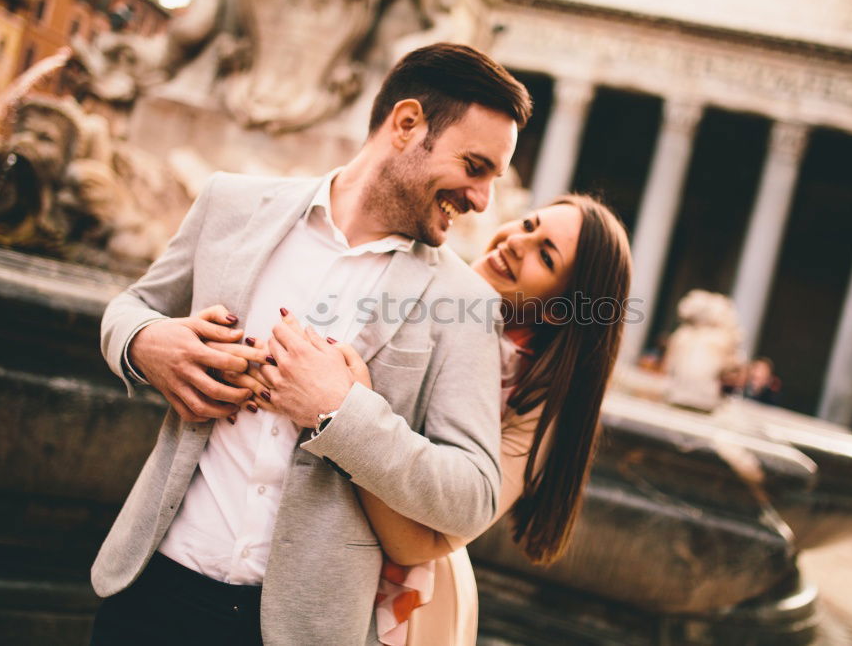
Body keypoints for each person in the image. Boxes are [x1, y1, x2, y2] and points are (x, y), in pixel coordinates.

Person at [89, 43, 532, 646]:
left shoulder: (467, 303)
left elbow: (472, 497)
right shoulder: (231, 203)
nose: (482, 200)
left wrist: (343, 414)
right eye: (475, 167)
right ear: (407, 125)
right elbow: (131, 306)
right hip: (150, 586)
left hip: (302, 629)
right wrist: (146, 344)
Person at [331, 194, 631, 644]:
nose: (517, 242)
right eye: (529, 224)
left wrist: (348, 414)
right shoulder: (420, 275)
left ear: (558, 309)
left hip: (404, 608)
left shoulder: (535, 406)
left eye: (545, 256)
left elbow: (417, 545)